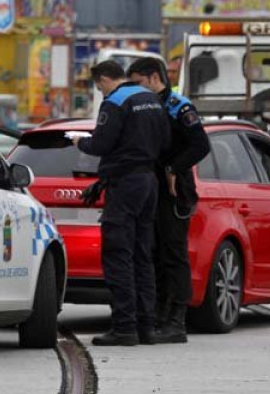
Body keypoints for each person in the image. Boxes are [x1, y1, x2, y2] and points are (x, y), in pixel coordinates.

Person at [71, 60, 170, 346]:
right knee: (143, 256)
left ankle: (124, 328)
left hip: (125, 185)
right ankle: (146, 327)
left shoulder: (114, 102)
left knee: (118, 255)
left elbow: (100, 145)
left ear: (103, 79)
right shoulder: (150, 98)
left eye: (98, 85)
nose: (100, 91)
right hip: (149, 181)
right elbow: (165, 142)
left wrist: (80, 142)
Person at [128, 57, 210, 344]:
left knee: (173, 255)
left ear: (153, 78)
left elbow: (201, 145)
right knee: (152, 255)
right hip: (150, 187)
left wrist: (174, 168)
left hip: (175, 189)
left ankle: (176, 321)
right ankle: (157, 316)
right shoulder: (143, 106)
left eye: (138, 82)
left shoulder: (178, 106)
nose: (135, 89)